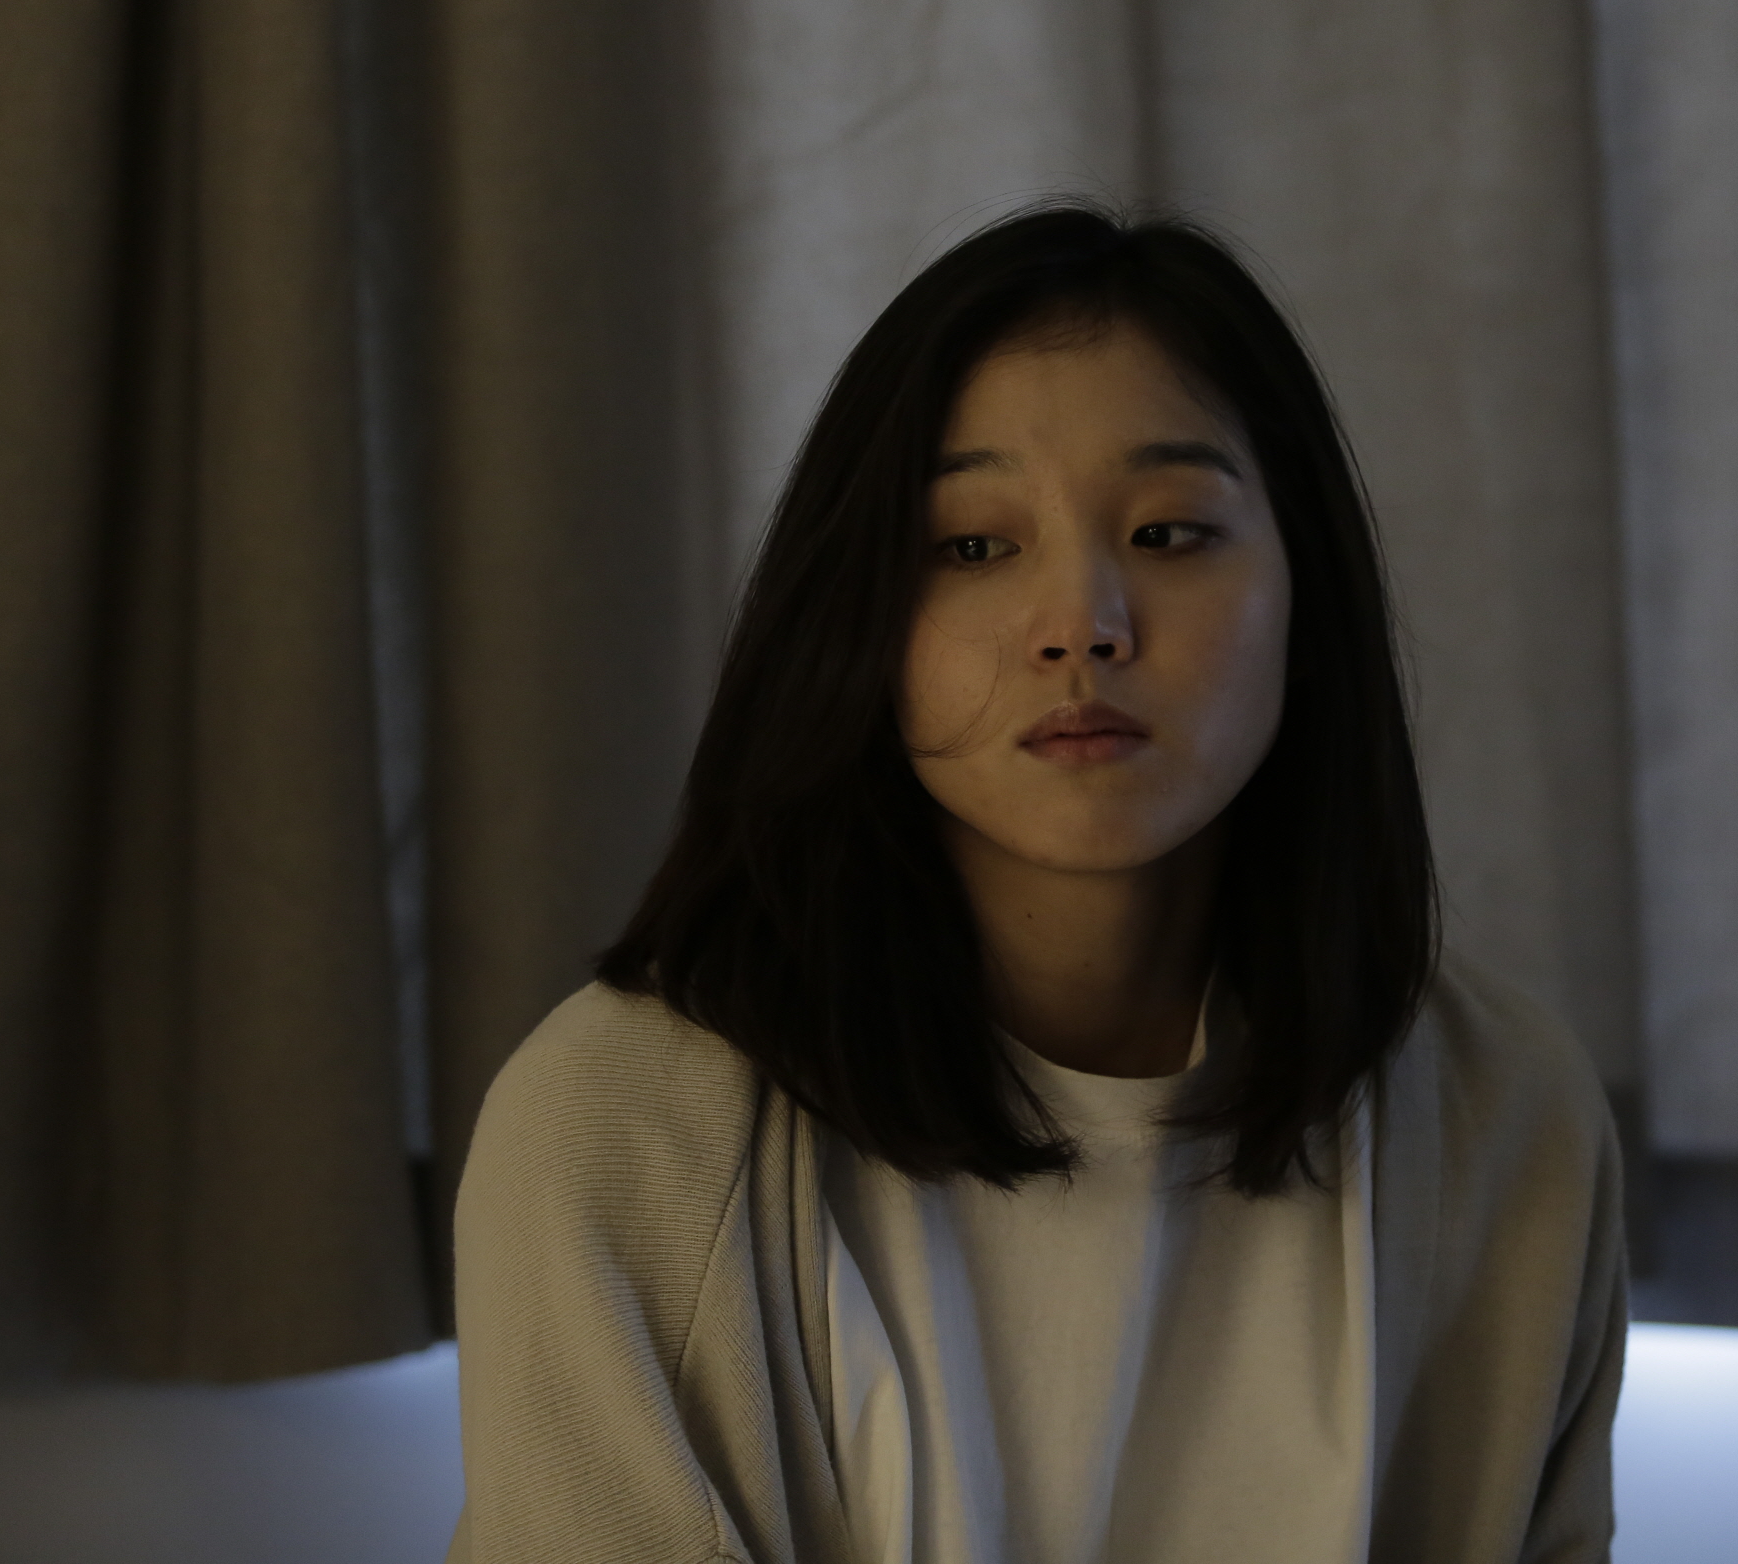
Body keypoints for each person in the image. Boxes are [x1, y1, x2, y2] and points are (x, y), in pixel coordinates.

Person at [445, 204, 1625, 1564]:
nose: (1083, 626)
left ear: (1308, 600)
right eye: (973, 546)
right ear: (860, 621)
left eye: (1171, 532)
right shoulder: (614, 1127)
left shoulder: (1508, 1117)